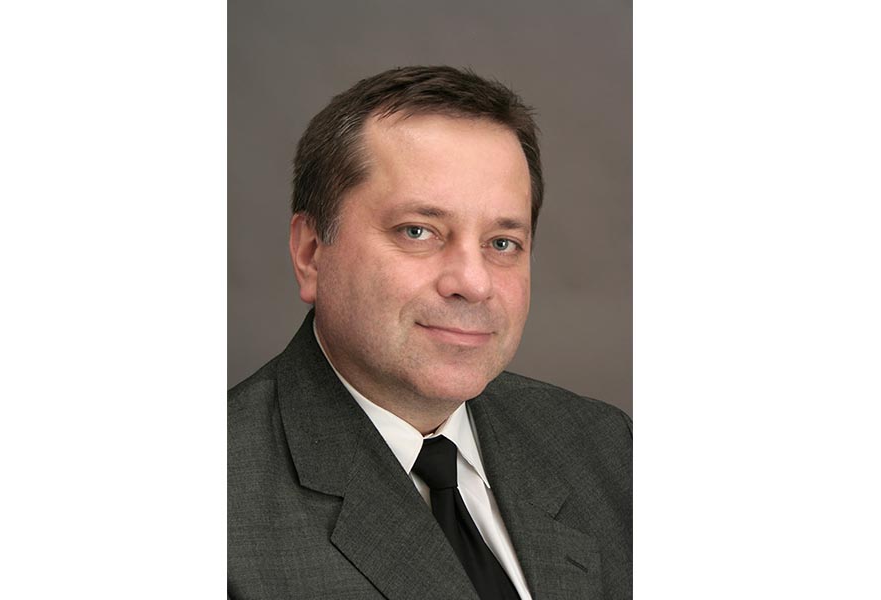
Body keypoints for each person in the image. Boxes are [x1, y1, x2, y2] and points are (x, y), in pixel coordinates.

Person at [228, 66, 632, 600]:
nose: (473, 283)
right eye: (418, 232)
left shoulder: (605, 448)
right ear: (311, 253)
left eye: (502, 243)